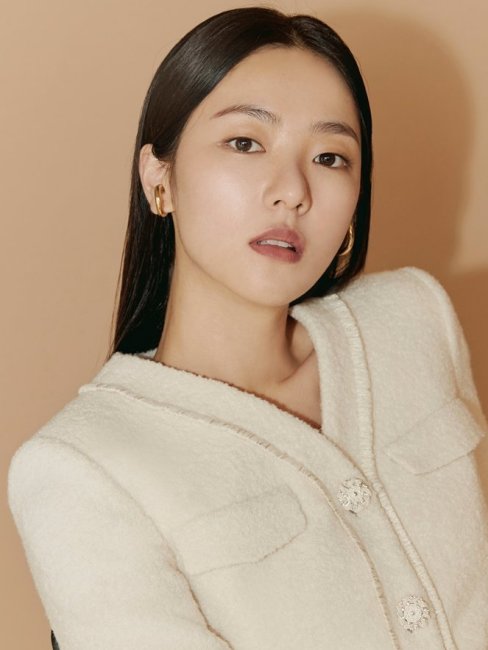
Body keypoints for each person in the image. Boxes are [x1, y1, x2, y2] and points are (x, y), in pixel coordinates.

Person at [7, 6, 488, 650]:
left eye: (330, 157)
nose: (292, 190)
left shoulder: (412, 320)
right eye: (245, 143)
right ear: (159, 178)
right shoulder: (81, 469)